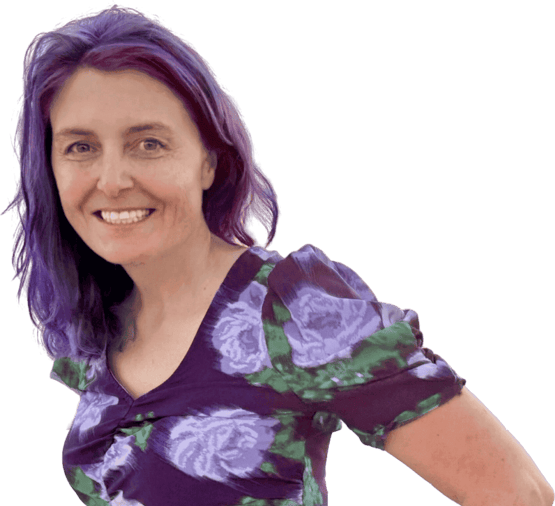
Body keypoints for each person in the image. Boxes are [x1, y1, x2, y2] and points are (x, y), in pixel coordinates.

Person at [2, 5, 553, 506]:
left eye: (149, 143)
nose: (112, 180)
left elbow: (519, 496)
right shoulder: (102, 323)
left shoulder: (292, 309)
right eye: (80, 147)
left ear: (209, 160)